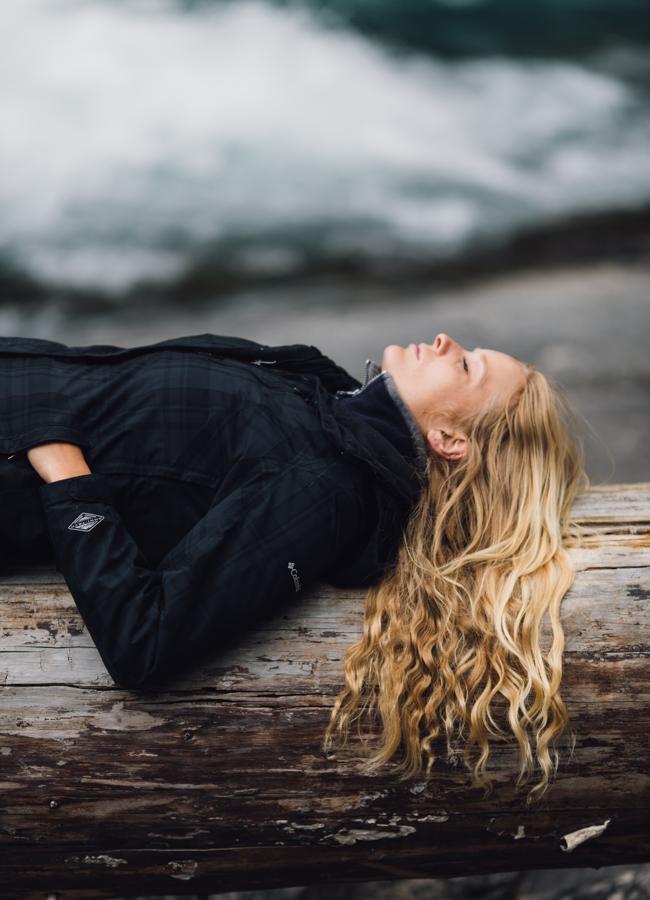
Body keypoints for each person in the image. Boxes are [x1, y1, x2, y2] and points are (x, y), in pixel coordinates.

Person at [0, 330, 588, 803]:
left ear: (449, 440)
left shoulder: (325, 488)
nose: (443, 341)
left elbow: (145, 641)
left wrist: (67, 475)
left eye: (466, 367)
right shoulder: (330, 403)